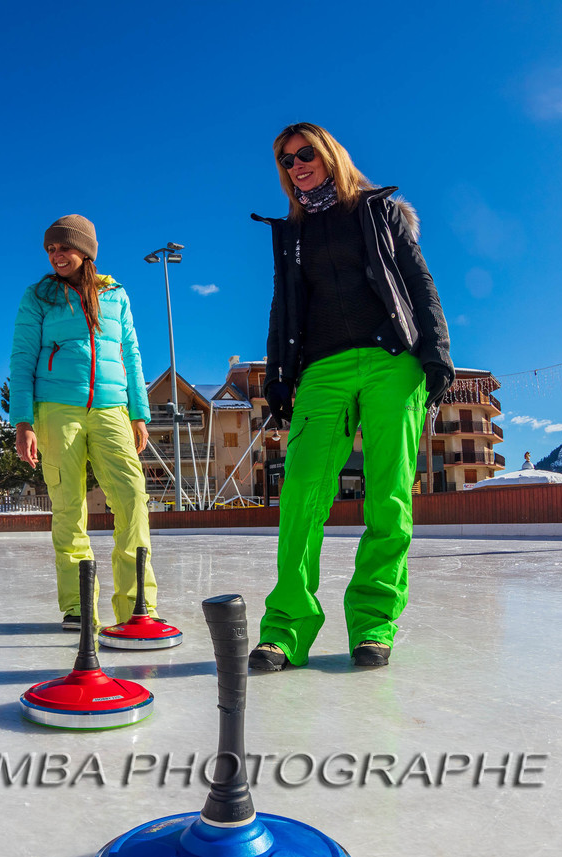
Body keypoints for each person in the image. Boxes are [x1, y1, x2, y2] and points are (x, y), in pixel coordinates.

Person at [249, 122, 453, 673]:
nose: (297, 166)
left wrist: (436, 351)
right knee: (300, 498)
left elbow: (418, 280)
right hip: (322, 369)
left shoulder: (378, 211)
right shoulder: (291, 233)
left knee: (388, 496)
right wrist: (277, 375)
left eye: (306, 153)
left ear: (330, 154)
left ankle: (373, 624)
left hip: (393, 361)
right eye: (287, 161)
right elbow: (283, 307)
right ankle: (287, 629)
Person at [9, 214, 162, 630]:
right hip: (56, 407)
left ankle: (137, 605)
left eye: (64, 247)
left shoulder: (114, 295)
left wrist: (139, 412)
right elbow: (22, 359)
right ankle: (78, 606)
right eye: (50, 249)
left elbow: (131, 354)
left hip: (112, 408)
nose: (56, 255)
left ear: (86, 250)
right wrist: (23, 421)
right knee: (68, 507)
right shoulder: (38, 296)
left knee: (132, 498)